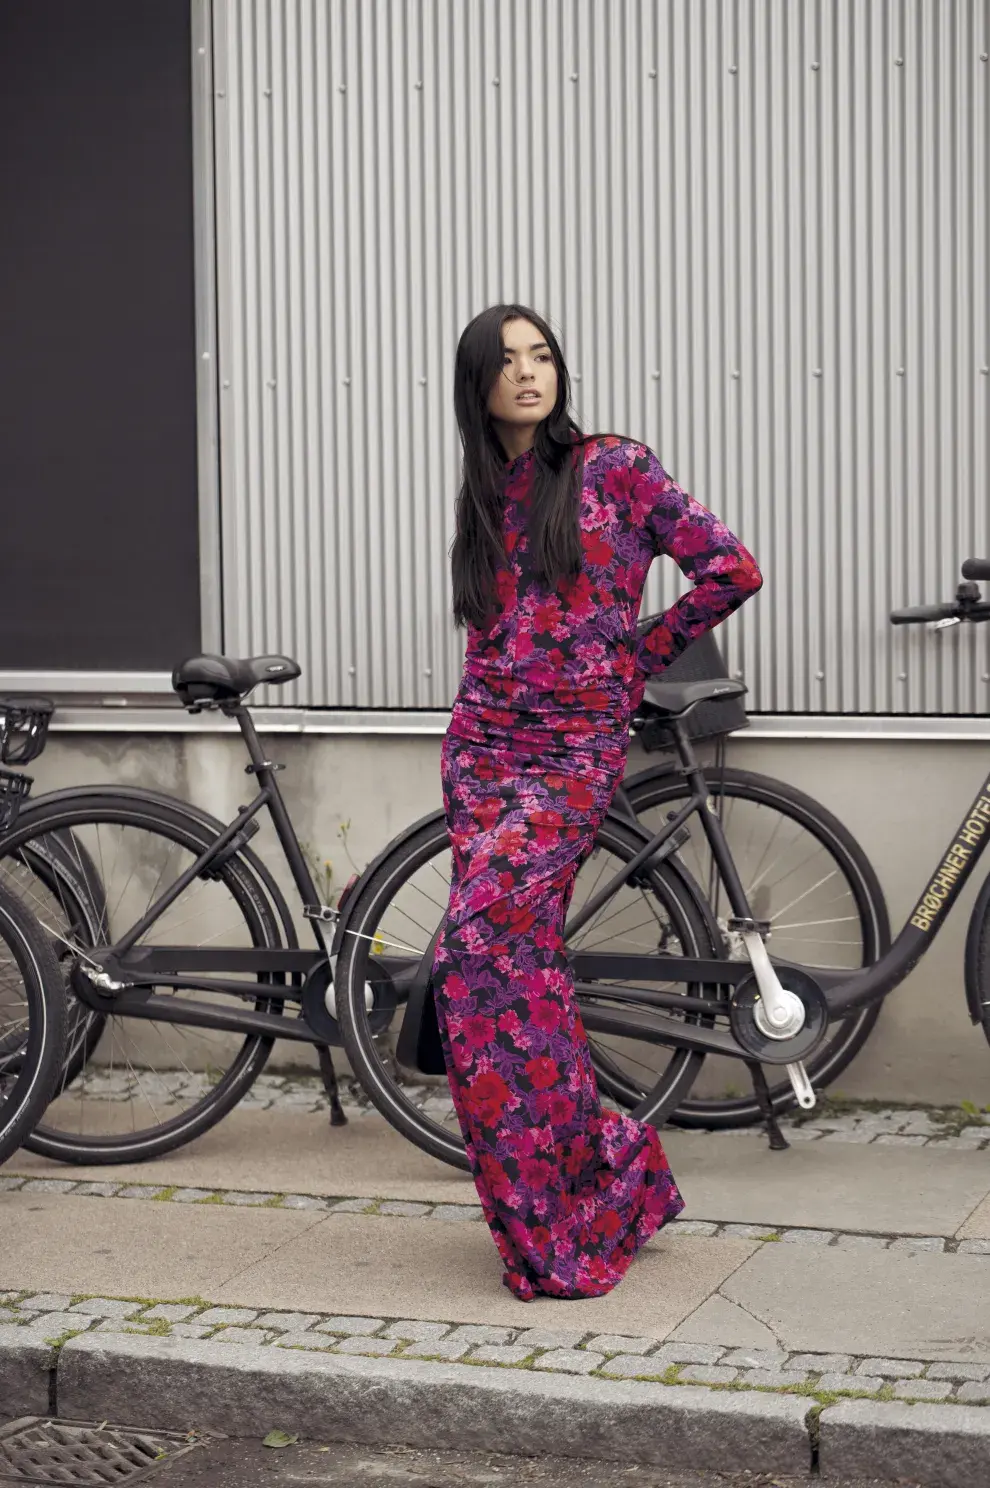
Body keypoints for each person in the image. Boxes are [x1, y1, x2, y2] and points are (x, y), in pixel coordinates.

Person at [430, 303, 762, 1301]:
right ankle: (607, 1193)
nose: (529, 374)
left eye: (541, 357)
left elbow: (730, 567)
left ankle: (566, 1213)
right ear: (478, 386)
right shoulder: (487, 492)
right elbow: (498, 632)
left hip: (573, 754)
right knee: (520, 987)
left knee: (470, 965)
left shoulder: (615, 466)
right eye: (506, 362)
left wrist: (634, 662)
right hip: (482, 752)